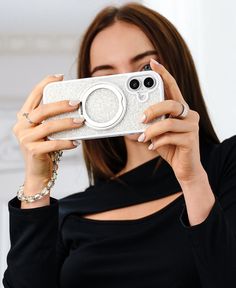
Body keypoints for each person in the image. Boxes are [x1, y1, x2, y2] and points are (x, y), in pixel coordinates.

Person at [2, 3, 236, 288]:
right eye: (106, 78)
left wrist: (192, 180)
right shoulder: (70, 213)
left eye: (143, 71)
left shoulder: (225, 166)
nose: (123, 90)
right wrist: (37, 183)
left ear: (177, 70)